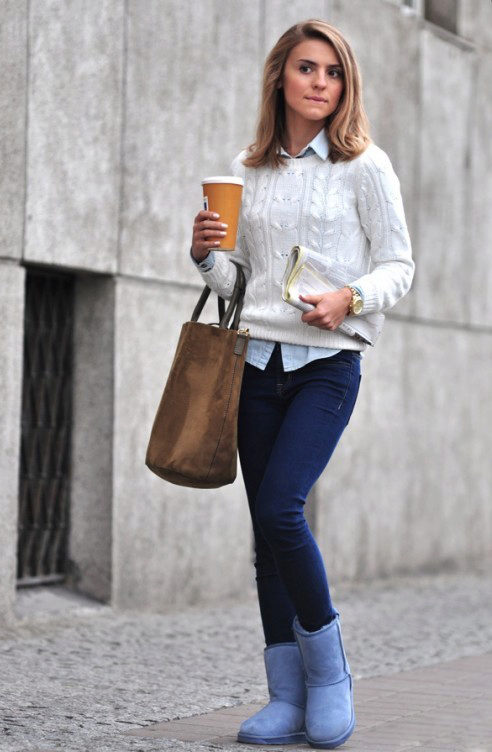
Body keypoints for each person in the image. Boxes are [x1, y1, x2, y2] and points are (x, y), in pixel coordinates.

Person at [190, 19, 414, 750]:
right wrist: (205, 257)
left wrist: (350, 298)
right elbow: (239, 285)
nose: (320, 82)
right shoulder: (246, 169)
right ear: (280, 77)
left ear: (346, 86)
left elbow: (399, 266)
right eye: (307, 68)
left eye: (333, 72)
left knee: (282, 509)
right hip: (254, 364)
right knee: (266, 536)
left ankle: (329, 678)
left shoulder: (365, 166)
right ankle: (285, 696)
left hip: (327, 365)